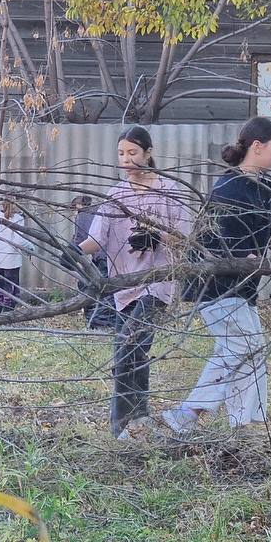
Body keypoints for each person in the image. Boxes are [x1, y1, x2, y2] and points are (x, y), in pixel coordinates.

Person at [162, 116, 271, 433]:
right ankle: (189, 412)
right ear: (257, 146)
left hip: (242, 288)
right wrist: (257, 259)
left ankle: (248, 423)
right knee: (241, 348)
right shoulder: (228, 188)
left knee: (252, 350)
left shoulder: (265, 185)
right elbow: (220, 246)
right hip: (214, 285)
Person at [71, 126, 192, 438]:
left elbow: (184, 237)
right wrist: (72, 251)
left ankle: (122, 426)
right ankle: (140, 420)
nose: (126, 159)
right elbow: (96, 239)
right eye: (121, 154)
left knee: (128, 344)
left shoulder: (168, 190)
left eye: (132, 153)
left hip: (158, 281)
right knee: (135, 352)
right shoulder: (115, 195)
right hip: (124, 285)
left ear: (148, 153)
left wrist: (156, 235)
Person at [72, 194, 115, 329]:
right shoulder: (99, 211)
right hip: (112, 256)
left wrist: (70, 252)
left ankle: (98, 322)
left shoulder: (82, 216)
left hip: (101, 256)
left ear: (77, 206)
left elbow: (80, 240)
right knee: (110, 288)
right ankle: (107, 320)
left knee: (95, 288)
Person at [0, 199, 36, 314]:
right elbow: (18, 241)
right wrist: (31, 247)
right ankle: (8, 312)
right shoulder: (18, 219)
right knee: (11, 286)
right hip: (11, 259)